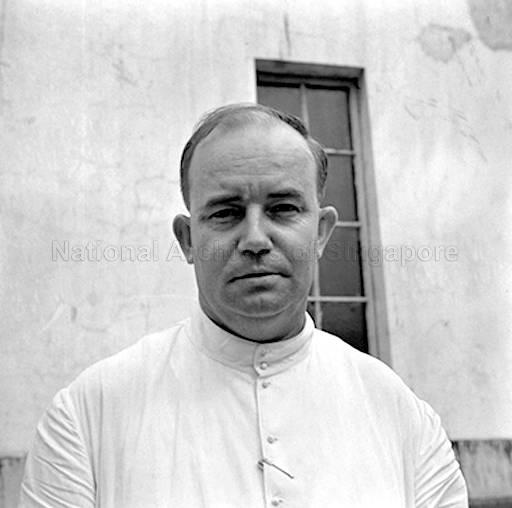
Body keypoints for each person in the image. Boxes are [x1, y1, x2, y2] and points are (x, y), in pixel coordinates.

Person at [20, 104, 468, 507]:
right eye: (226, 212)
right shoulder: (87, 417)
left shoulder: (405, 421)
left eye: (283, 208)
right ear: (188, 239)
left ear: (321, 233)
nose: (255, 239)